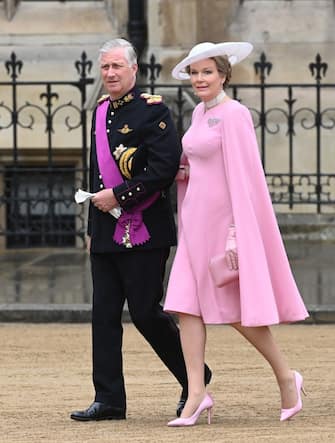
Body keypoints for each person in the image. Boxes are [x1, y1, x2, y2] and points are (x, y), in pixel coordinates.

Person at [164, 41, 309, 427]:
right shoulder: (198, 113)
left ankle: (285, 376)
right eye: (195, 73)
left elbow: (244, 178)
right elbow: (201, 163)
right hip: (194, 223)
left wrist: (235, 233)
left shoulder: (235, 115)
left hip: (223, 227)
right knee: (185, 307)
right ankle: (196, 394)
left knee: (236, 313)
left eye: (207, 72)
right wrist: (182, 172)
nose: (199, 79)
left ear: (224, 75)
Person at [70, 38, 211, 422]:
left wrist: (118, 196)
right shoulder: (100, 112)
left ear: (134, 70)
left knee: (147, 313)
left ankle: (194, 379)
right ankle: (109, 399)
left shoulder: (154, 112)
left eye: (117, 66)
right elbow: (93, 174)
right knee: (103, 314)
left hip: (144, 227)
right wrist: (90, 227)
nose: (111, 73)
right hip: (104, 230)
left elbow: (164, 168)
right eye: (106, 67)